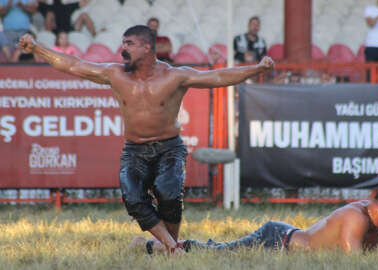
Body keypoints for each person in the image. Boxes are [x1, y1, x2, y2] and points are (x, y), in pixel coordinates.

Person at [18, 25, 274, 254]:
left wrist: (257, 68)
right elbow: (73, 65)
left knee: (169, 193)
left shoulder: (174, 76)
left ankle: (166, 248)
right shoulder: (114, 73)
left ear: (147, 47)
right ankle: (173, 248)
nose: (123, 49)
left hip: (169, 148)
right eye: (123, 43)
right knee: (132, 197)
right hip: (134, 150)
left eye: (129, 44)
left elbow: (218, 77)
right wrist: (38, 48)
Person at [129, 185, 378, 255]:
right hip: (277, 240)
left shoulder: (376, 220)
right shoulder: (356, 217)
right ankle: (149, 246)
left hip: (286, 238)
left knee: (221, 249)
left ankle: (158, 246)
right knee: (219, 252)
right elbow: (353, 265)